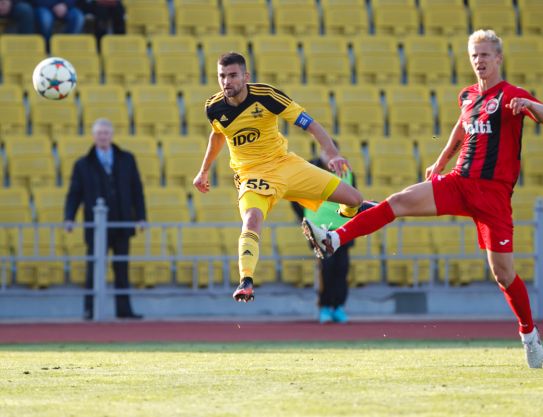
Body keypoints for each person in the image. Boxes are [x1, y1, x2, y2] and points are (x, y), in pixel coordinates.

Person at [302, 29, 543, 368]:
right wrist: (442, 158)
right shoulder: (468, 96)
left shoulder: (512, 95)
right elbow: (462, 127)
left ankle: (529, 334)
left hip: (493, 195)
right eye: (475, 55)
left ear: (499, 58)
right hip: (459, 182)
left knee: (503, 274)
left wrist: (532, 105)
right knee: (398, 201)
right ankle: (334, 239)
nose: (479, 61)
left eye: (485, 55)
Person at [193, 52, 366, 303]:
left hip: (286, 165)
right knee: (251, 220)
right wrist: (204, 170)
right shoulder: (213, 107)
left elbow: (311, 124)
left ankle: (333, 237)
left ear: (245, 76)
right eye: (222, 76)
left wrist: (332, 154)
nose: (226, 81)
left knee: (354, 198)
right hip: (251, 174)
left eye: (232, 75)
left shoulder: (266, 96)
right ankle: (246, 281)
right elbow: (218, 134)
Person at [64, 118, 146, 320]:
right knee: (94, 268)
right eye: (99, 133)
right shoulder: (82, 165)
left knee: (122, 268)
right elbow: (74, 194)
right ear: (94, 136)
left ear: (111, 135)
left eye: (106, 133)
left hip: (122, 222)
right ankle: (90, 310)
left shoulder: (127, 159)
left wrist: (141, 217)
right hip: (96, 227)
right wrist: (69, 218)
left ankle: (124, 311)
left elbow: (137, 190)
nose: (103, 137)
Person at [292, 141, 371, 323]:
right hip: (319, 228)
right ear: (320, 152)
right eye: (325, 151)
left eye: (332, 151)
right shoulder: (309, 168)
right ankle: (324, 307)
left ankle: (339, 307)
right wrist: (304, 217)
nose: (329, 155)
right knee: (326, 268)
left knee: (341, 268)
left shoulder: (346, 169)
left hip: (343, 227)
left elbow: (354, 196)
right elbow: (294, 196)